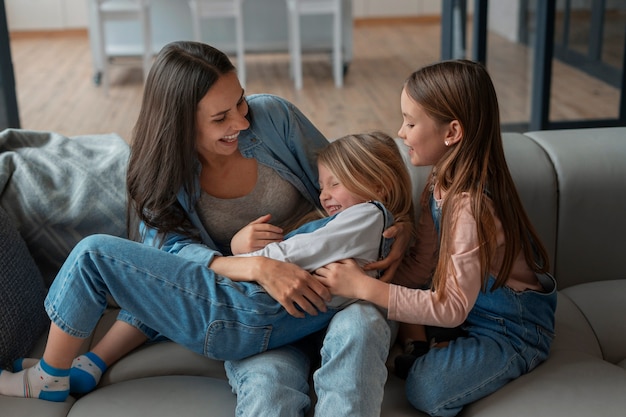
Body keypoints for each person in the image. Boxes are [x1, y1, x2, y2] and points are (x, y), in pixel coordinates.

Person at [0, 41, 411, 416]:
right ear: (180, 126)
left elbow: (350, 179)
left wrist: (398, 224)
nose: (242, 122)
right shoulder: (160, 180)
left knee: (362, 326)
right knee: (268, 392)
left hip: (336, 293)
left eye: (241, 103)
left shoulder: (276, 120)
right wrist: (246, 262)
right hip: (261, 308)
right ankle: (73, 370)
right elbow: (171, 259)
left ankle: (56, 375)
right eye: (220, 118)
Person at [313, 59, 557, 417]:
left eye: (410, 122)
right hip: (468, 313)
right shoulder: (439, 181)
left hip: (512, 329)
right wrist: (367, 277)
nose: (401, 132)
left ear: (452, 132)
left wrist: (364, 288)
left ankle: (431, 350)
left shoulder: (470, 206)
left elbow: (449, 307)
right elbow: (422, 265)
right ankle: (429, 343)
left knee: (426, 388)